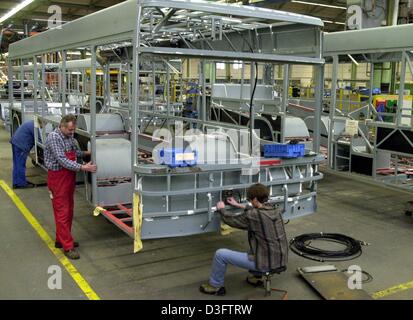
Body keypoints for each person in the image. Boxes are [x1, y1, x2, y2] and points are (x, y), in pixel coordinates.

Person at [200, 183, 288, 296]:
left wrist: (221, 209)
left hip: (266, 263)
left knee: (220, 254)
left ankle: (215, 286)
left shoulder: (254, 215)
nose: (250, 202)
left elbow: (231, 220)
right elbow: (258, 210)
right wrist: (238, 205)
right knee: (258, 244)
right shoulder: (276, 210)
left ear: (255, 199)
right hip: (280, 259)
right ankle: (255, 278)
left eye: (250, 200)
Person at [44, 114, 97, 260]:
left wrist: (87, 153)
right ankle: (68, 247)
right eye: (69, 130)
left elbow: (73, 153)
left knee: (68, 210)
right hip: (58, 178)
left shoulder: (68, 137)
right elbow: (62, 160)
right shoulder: (54, 138)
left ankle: (61, 240)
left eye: (73, 130)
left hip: (68, 177)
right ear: (61, 126)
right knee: (62, 211)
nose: (72, 133)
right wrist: (83, 167)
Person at [10, 120, 36, 189]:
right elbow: (38, 139)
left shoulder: (31, 123)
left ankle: (16, 182)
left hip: (15, 142)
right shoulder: (35, 127)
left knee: (17, 164)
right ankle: (21, 184)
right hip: (21, 145)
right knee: (20, 164)